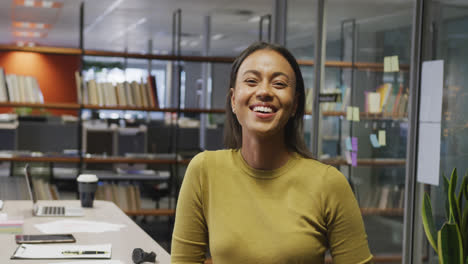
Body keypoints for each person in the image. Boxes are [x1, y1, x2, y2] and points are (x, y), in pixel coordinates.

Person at [171, 42, 372, 264]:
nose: (264, 91)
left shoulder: (328, 183)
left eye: (279, 83)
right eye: (251, 81)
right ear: (233, 100)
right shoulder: (204, 170)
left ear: (295, 104)